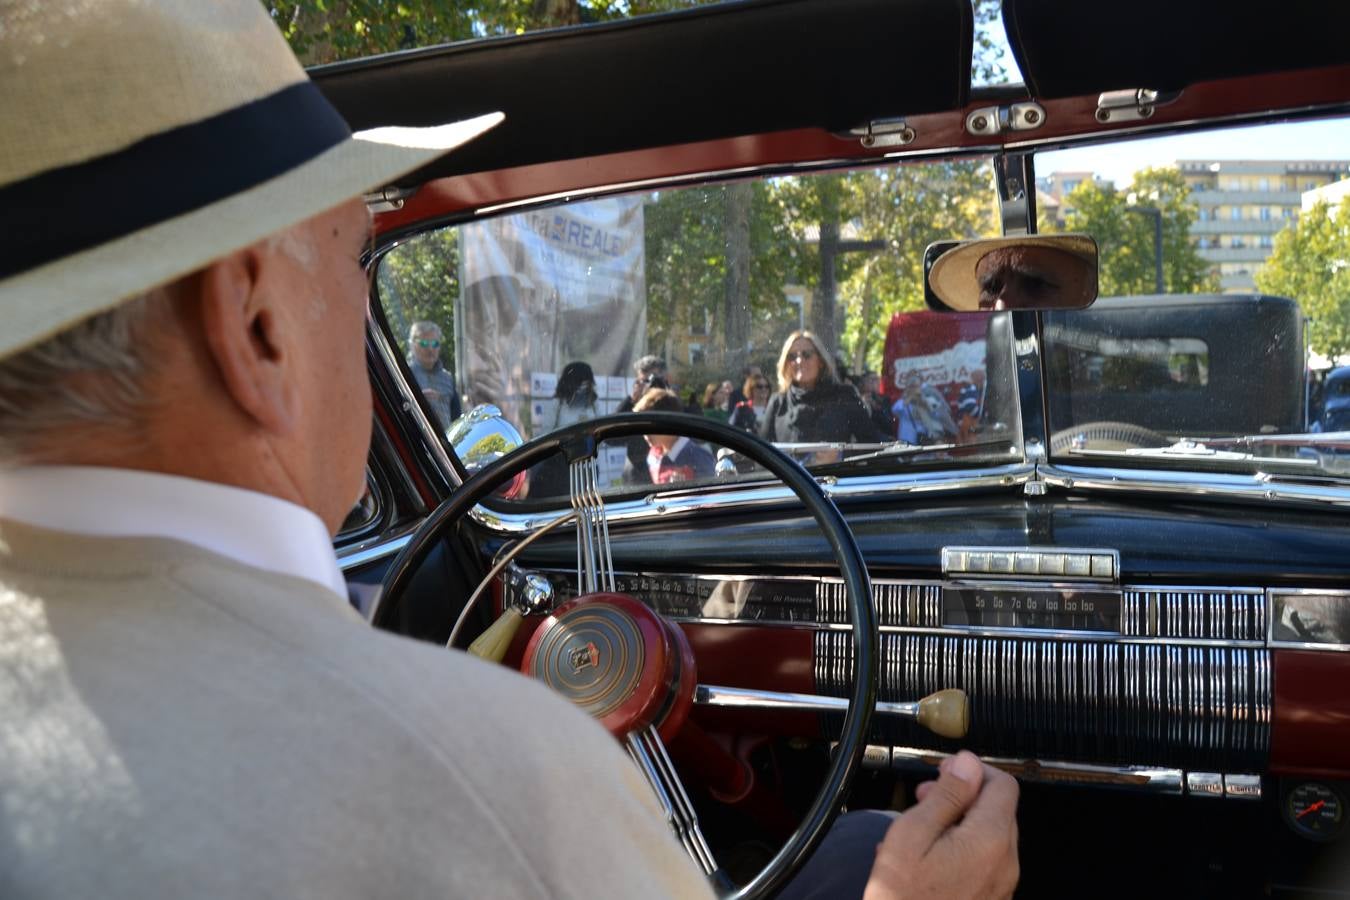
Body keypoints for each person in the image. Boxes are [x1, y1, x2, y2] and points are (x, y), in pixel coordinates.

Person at [0, 3, 1020, 897]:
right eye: (356, 262)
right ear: (256, 326)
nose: (360, 307)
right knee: (867, 850)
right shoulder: (492, 772)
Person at [759, 330, 888, 444]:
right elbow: (762, 454)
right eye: (792, 356)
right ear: (786, 364)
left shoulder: (844, 397)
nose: (799, 361)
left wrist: (839, 455)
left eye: (806, 355)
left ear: (820, 361)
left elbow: (871, 445)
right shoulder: (778, 403)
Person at [633, 388, 716, 484]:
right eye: (642, 427)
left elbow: (710, 490)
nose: (645, 434)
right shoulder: (653, 455)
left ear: (669, 423)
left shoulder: (699, 458)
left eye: (650, 426)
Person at [617, 354, 668, 484]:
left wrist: (669, 396)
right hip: (637, 474)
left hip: (670, 471)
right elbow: (612, 439)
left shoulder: (672, 402)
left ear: (664, 379)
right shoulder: (633, 405)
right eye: (645, 381)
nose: (650, 386)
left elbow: (696, 438)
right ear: (637, 382)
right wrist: (631, 400)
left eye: (654, 380)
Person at [407, 320, 462, 426]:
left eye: (435, 344)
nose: (430, 349)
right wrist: (417, 400)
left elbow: (457, 419)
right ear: (412, 345)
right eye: (424, 343)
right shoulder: (405, 375)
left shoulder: (448, 379)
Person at [551, 360, 600, 430]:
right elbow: (546, 432)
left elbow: (602, 428)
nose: (584, 386)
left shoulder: (594, 403)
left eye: (587, 382)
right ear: (570, 382)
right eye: (581, 382)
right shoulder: (557, 404)